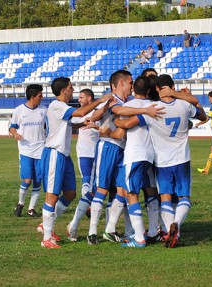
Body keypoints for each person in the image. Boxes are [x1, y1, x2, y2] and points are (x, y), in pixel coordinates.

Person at [116, 74, 206, 248]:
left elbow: (127, 124)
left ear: (156, 89)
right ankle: (176, 226)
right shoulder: (183, 105)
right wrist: (181, 95)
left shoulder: (153, 109)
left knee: (165, 197)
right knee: (183, 197)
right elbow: (202, 116)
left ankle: (168, 230)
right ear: (172, 86)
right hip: (182, 158)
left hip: (162, 161)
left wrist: (117, 120)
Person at [86, 70, 163, 246]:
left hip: (123, 148)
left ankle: (110, 229)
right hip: (108, 146)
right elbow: (94, 116)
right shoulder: (112, 100)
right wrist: (104, 106)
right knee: (102, 189)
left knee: (122, 189)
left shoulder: (128, 102)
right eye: (130, 82)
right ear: (121, 83)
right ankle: (92, 232)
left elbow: (122, 129)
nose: (131, 85)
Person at [39, 77, 113, 249]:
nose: (73, 90)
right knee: (52, 195)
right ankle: (47, 237)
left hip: (64, 155)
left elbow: (70, 125)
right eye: (71, 87)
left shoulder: (62, 108)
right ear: (64, 90)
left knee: (71, 193)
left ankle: (46, 226)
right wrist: (100, 101)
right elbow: (79, 113)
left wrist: (82, 125)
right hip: (54, 153)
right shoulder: (56, 105)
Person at [66, 89, 100, 241]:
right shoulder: (79, 113)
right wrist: (83, 122)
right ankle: (76, 222)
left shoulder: (99, 112)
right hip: (85, 153)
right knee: (87, 183)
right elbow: (72, 126)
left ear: (89, 98)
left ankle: (84, 211)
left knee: (95, 188)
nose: (78, 99)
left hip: (99, 154)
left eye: (81, 97)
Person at [9, 84, 47, 218]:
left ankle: (31, 209)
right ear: (32, 97)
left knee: (38, 181)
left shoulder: (43, 110)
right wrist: (15, 134)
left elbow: (48, 126)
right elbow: (12, 127)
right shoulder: (19, 110)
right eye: (40, 95)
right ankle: (20, 204)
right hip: (26, 150)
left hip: (41, 149)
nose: (42, 97)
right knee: (27, 179)